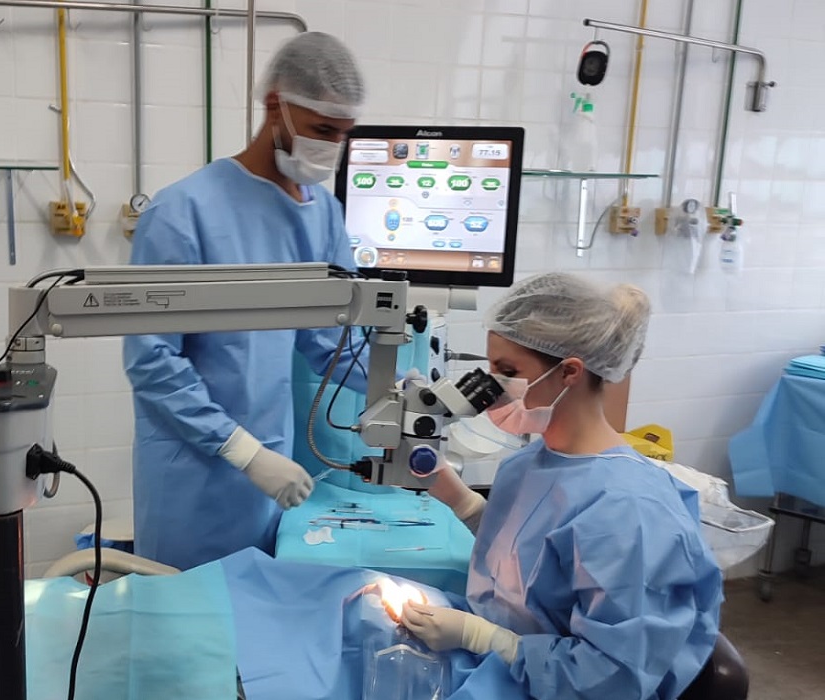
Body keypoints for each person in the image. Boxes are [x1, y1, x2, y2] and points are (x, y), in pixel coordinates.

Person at [400, 272, 724, 700]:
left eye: (507, 371)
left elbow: (612, 678)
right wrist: (461, 500)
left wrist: (484, 638)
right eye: (491, 368)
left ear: (570, 371)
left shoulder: (629, 511)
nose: (491, 388)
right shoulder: (529, 463)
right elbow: (534, 566)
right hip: (500, 669)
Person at [123, 32, 369, 571]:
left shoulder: (323, 213)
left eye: (343, 134)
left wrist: (402, 387)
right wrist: (244, 452)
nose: (333, 147)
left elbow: (330, 339)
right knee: (188, 610)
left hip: (274, 473)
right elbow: (152, 361)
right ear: (276, 106)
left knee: (260, 609)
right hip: (195, 477)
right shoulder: (182, 212)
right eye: (322, 130)